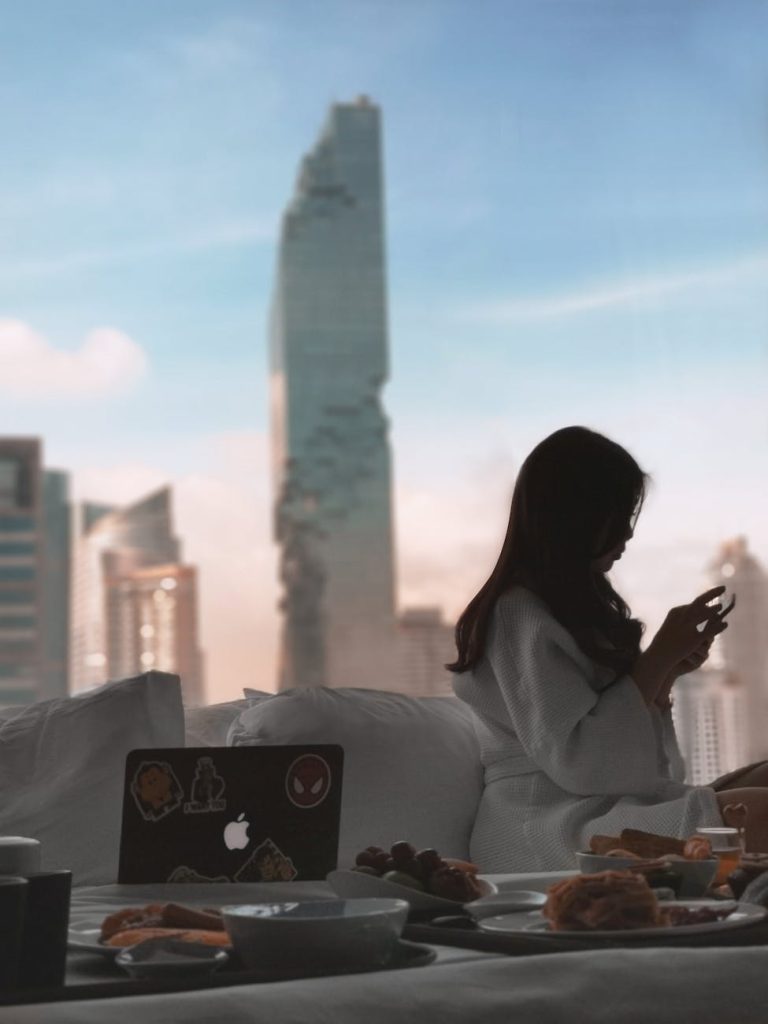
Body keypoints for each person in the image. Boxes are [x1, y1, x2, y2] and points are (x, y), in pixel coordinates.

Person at [448, 425, 768, 872]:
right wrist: (656, 660)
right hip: (544, 828)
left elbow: (648, 769)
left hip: (604, 807)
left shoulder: (571, 610)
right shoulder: (515, 615)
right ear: (574, 517)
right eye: (616, 516)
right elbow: (582, 764)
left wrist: (665, 674)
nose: (628, 534)